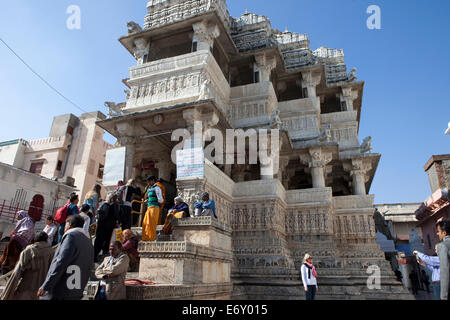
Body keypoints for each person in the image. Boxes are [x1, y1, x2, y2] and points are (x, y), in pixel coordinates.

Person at [37, 215, 94, 300]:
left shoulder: (71, 236)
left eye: (65, 224)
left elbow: (61, 262)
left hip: (61, 289)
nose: (63, 227)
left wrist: (46, 285)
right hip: (76, 291)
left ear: (70, 224)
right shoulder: (88, 241)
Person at [1, 232, 54, 300]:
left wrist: (6, 295)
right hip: (41, 292)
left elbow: (16, 274)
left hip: (26, 289)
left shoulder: (29, 250)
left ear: (35, 240)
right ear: (46, 240)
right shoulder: (51, 252)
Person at [94, 193, 121, 262]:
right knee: (105, 242)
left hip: (101, 227)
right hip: (108, 227)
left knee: (99, 242)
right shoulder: (114, 206)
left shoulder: (103, 205)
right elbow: (116, 215)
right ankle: (102, 256)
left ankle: (95, 256)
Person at [142, 176, 164, 241]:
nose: (148, 183)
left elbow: (161, 200)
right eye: (147, 181)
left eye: (149, 181)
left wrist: (154, 200)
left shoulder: (157, 188)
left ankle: (151, 239)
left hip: (154, 208)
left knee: (152, 224)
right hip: (149, 207)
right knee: (145, 223)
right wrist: (148, 200)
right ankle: (146, 238)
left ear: (153, 181)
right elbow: (149, 197)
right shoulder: (148, 189)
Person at [436, 220, 450, 300]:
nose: (437, 234)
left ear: (444, 233)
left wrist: (444, 296)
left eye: (438, 231)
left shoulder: (443, 246)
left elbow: (445, 271)